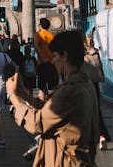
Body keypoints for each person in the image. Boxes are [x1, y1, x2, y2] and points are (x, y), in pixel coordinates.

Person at [6, 30, 99, 166]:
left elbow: (37, 123)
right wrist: (24, 95)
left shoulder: (69, 90)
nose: (53, 60)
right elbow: (54, 110)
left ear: (65, 55)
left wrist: (13, 97)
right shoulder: (85, 83)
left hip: (65, 161)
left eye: (55, 55)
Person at [83, 31, 111, 150]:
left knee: (92, 110)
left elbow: (99, 67)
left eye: (91, 37)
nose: (90, 39)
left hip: (89, 84)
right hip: (89, 84)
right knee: (94, 110)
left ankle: (98, 136)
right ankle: (100, 135)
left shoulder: (90, 52)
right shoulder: (88, 52)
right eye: (88, 38)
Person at [34, 17, 59, 93]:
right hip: (52, 62)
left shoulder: (38, 34)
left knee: (42, 87)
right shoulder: (51, 35)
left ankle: (43, 103)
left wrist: (41, 57)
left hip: (42, 62)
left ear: (40, 25)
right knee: (53, 85)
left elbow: (36, 46)